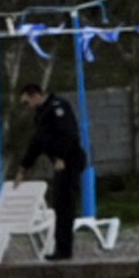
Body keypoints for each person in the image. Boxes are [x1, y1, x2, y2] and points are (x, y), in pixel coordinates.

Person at [18, 81, 89, 260]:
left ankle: (64, 250)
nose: (27, 106)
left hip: (69, 162)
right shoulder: (42, 114)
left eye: (27, 102)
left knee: (66, 206)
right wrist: (24, 167)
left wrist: (61, 157)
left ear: (35, 95)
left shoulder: (58, 108)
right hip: (59, 163)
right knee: (59, 205)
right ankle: (61, 247)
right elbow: (37, 142)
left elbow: (68, 134)